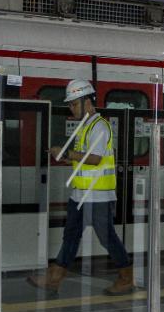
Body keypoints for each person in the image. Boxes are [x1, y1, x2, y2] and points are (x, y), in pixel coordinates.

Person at [27, 79, 134, 295]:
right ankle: (55, 277)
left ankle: (126, 277)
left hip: (98, 196)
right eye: (70, 104)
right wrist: (65, 157)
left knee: (107, 238)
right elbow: (83, 159)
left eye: (74, 104)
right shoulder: (85, 127)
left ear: (87, 102)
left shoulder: (99, 126)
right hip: (80, 194)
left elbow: (94, 159)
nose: (71, 108)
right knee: (71, 235)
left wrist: (66, 153)